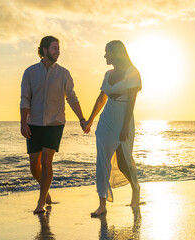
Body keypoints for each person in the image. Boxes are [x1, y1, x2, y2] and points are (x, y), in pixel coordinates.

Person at [20, 36, 86, 214]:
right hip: (33, 123)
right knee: (34, 165)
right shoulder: (30, 72)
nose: (58, 51)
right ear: (44, 49)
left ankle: (41, 202)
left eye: (58, 48)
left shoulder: (63, 73)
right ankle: (45, 191)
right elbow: (25, 98)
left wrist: (81, 118)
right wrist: (22, 122)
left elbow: (72, 97)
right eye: (54, 48)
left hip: (55, 123)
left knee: (47, 161)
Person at [82, 40, 141, 217]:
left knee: (124, 161)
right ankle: (102, 204)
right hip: (106, 119)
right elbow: (101, 99)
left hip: (124, 118)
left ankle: (135, 188)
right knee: (102, 162)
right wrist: (90, 120)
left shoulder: (132, 72)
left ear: (116, 53)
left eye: (107, 52)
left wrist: (125, 127)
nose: (105, 56)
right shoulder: (107, 74)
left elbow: (131, 102)